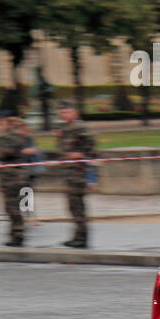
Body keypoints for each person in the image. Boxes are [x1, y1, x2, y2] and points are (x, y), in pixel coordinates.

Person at [55, 103, 96, 248]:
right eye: (62, 112)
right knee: (72, 206)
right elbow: (62, 150)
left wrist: (82, 154)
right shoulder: (64, 129)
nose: (64, 115)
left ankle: (82, 238)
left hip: (78, 174)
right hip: (68, 173)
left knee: (78, 206)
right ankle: (77, 236)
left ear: (75, 113)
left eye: (67, 112)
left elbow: (92, 148)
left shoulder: (81, 128)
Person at [0, 117, 38, 247]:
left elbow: (3, 154)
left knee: (13, 207)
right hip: (10, 176)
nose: (1, 125)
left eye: (4, 123)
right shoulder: (15, 137)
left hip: (14, 177)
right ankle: (15, 234)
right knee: (10, 207)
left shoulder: (13, 137)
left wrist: (1, 148)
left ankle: (18, 234)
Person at [34, 66, 55, 131]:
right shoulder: (40, 79)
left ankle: (47, 127)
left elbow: (49, 87)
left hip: (45, 100)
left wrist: (41, 93)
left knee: (46, 115)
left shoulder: (41, 79)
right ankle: (46, 127)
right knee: (45, 114)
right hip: (44, 100)